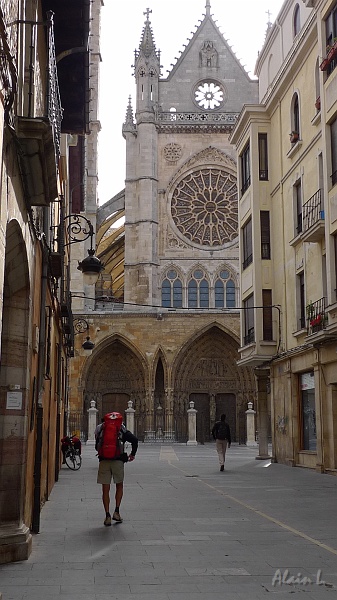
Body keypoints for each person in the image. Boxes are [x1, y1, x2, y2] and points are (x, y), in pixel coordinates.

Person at [95, 414, 138, 526]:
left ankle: (107, 515)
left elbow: (97, 445)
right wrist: (132, 454)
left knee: (105, 489)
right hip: (118, 461)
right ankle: (117, 512)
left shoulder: (100, 428)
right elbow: (134, 440)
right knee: (119, 485)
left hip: (104, 461)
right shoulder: (121, 428)